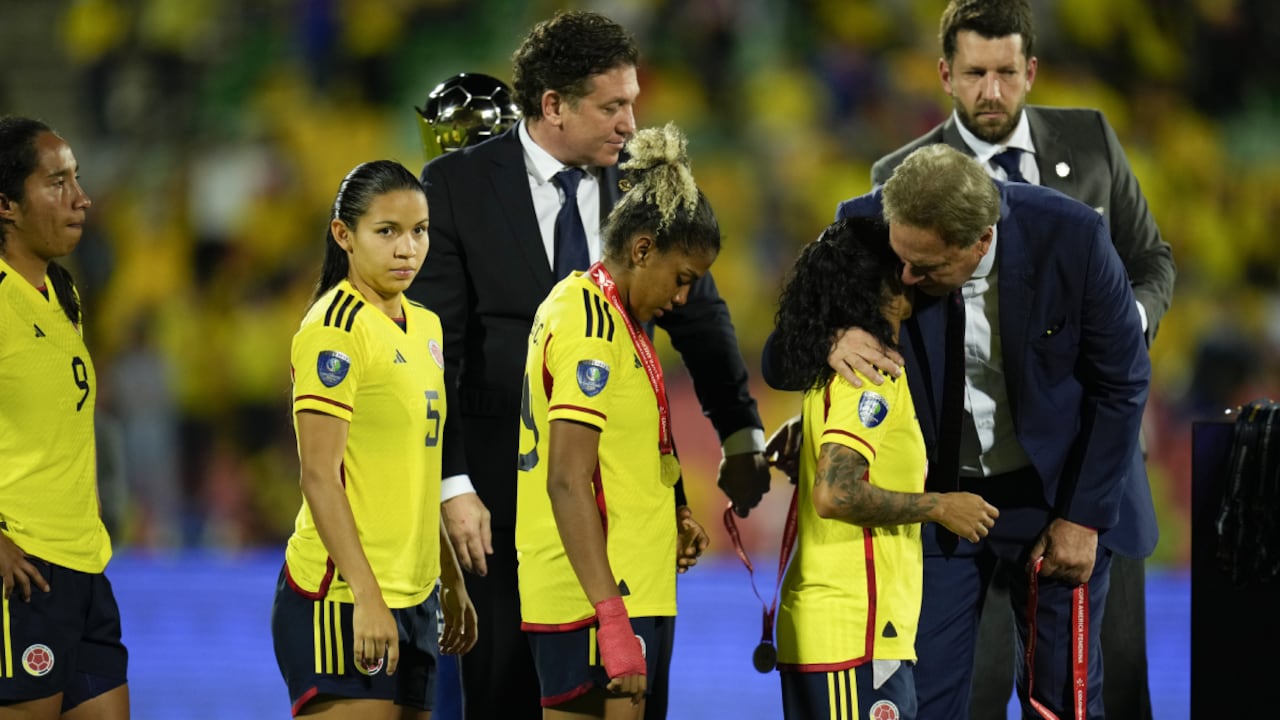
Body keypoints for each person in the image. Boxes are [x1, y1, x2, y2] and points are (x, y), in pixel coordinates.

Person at [406, 11, 771, 720]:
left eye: (632, 102)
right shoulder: (454, 186)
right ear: (553, 107)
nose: (630, 123)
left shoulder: (645, 182)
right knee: (504, 694)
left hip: (625, 501)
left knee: (626, 693)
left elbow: (700, 314)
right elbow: (435, 350)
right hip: (501, 502)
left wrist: (740, 432)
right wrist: (451, 483)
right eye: (612, 106)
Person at [851, 3, 1175, 716]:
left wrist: (1125, 324)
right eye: (975, 74)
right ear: (945, 75)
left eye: (1006, 73)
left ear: (1030, 71)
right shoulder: (898, 179)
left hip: (1083, 469)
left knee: (1104, 684)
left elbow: (1150, 259)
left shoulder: (1088, 142)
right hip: (959, 479)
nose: (991, 92)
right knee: (967, 685)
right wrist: (837, 337)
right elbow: (829, 311)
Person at [765, 144, 1155, 717]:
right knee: (924, 701)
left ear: (980, 240)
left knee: (1061, 704)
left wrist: (1082, 518)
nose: (904, 277)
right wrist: (829, 340)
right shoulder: (868, 225)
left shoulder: (1071, 238)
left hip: (1052, 497)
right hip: (941, 501)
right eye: (901, 259)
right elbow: (780, 357)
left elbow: (1122, 383)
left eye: (925, 269)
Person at [516, 122, 713, 720]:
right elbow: (567, 480)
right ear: (643, 248)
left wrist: (667, 513)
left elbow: (614, 455)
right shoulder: (592, 328)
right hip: (598, 596)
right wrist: (610, 617)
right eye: (681, 280)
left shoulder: (604, 314)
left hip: (627, 584)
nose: (682, 298)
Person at [270, 160, 477, 719]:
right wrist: (365, 595)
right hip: (343, 599)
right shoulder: (334, 329)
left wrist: (449, 579)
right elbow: (318, 475)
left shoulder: (427, 327)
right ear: (344, 235)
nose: (407, 248)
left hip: (415, 598)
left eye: (420, 231)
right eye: (386, 232)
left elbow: (415, 471)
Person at [769, 217, 997, 720]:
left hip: (832, 630)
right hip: (855, 633)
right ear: (879, 286)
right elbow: (835, 493)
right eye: (903, 269)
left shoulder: (834, 366)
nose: (914, 278)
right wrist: (939, 505)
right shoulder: (872, 374)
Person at [0, 116, 130, 720]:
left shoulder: (63, 292)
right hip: (21, 573)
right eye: (57, 183)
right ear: (5, 204)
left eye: (76, 178)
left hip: (82, 568)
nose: (81, 198)